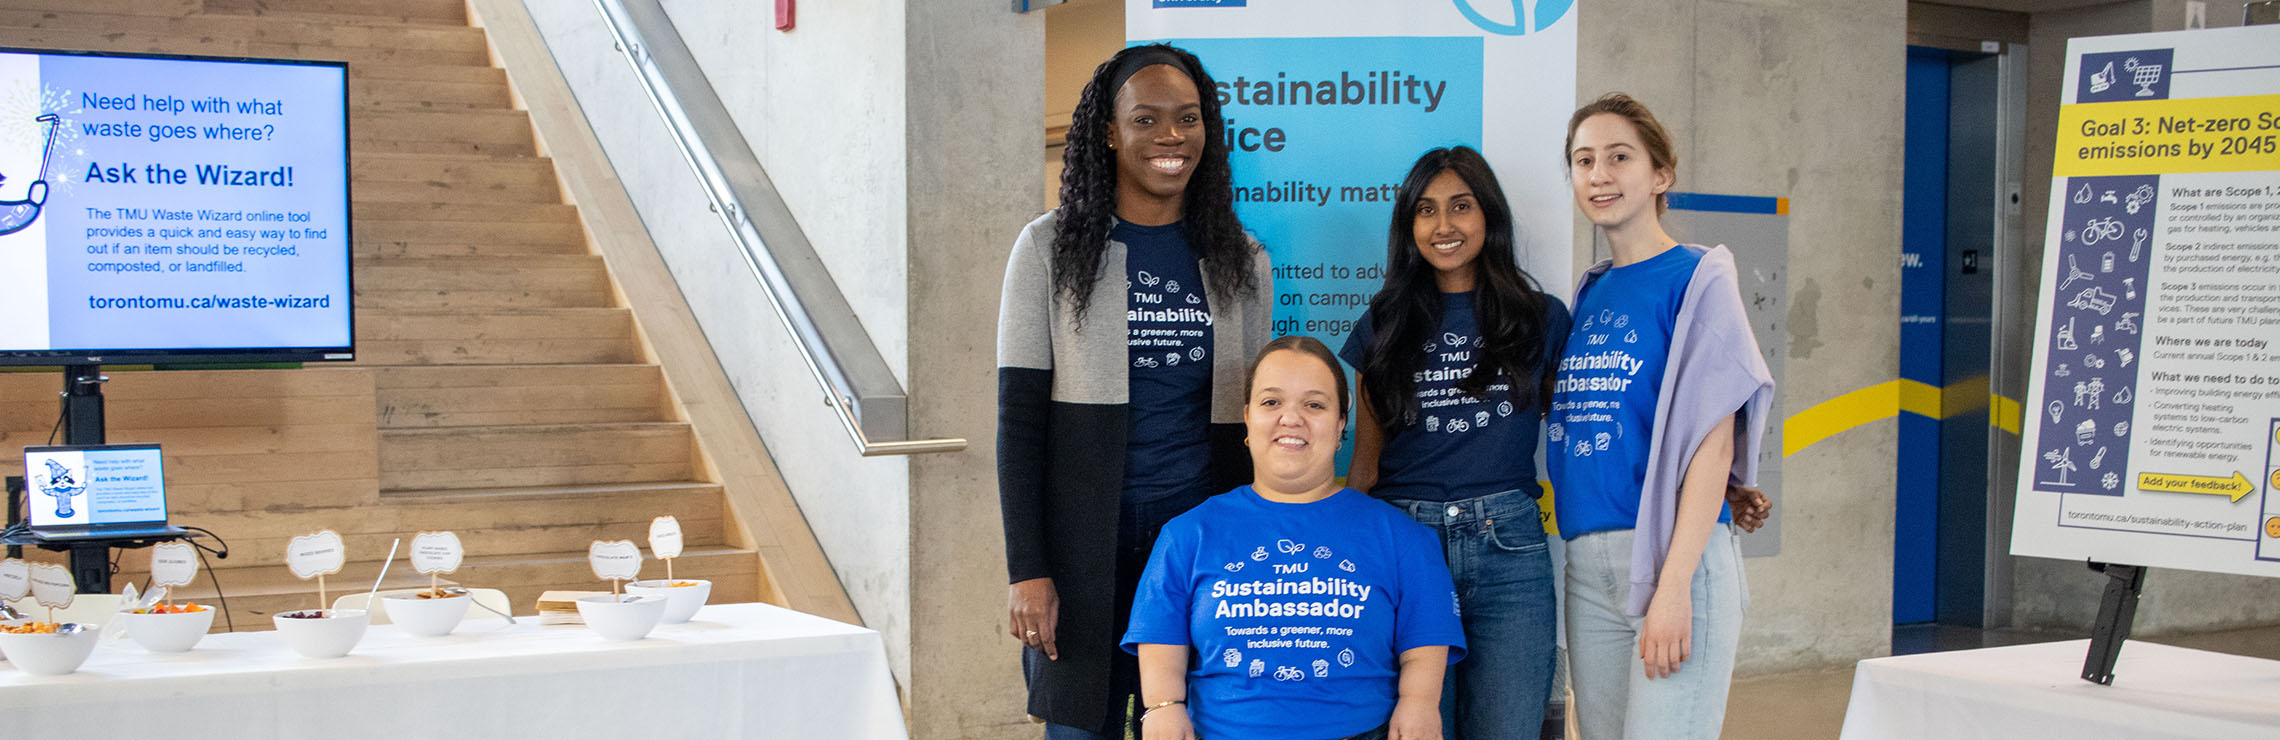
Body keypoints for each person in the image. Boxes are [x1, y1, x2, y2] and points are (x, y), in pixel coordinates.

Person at [997, 43, 1272, 739]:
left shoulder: (1242, 261)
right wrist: (1028, 570)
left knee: (1194, 723)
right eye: (1146, 119)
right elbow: (1020, 421)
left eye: (1188, 118)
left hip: (1198, 537)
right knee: (1080, 727)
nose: (1170, 137)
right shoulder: (1048, 250)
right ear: (1110, 132)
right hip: (1084, 540)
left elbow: (1252, 424)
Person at [1548, 92, 1775, 740]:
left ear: (1660, 174)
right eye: (1584, 160)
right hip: (1587, 562)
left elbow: (1712, 441)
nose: (1599, 174)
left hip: (1677, 559)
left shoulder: (1699, 276)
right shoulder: (1590, 291)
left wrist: (1674, 586)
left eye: (1619, 157)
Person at [1124, 336, 1467, 740]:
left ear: (1342, 424)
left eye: (1315, 404)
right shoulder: (1187, 533)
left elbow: (1427, 635)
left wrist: (1419, 703)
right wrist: (1164, 707)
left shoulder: (1402, 537)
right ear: (1247, 418)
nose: (1291, 418)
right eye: (1272, 402)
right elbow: (1159, 633)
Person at [1337, 146, 1570, 739]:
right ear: (1408, 226)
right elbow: (1365, 463)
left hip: (1510, 550)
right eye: (1426, 211)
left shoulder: (1541, 318)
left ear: (1488, 216)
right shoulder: (1384, 323)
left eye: (1461, 207)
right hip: (1405, 546)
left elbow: (1585, 424)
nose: (1444, 226)